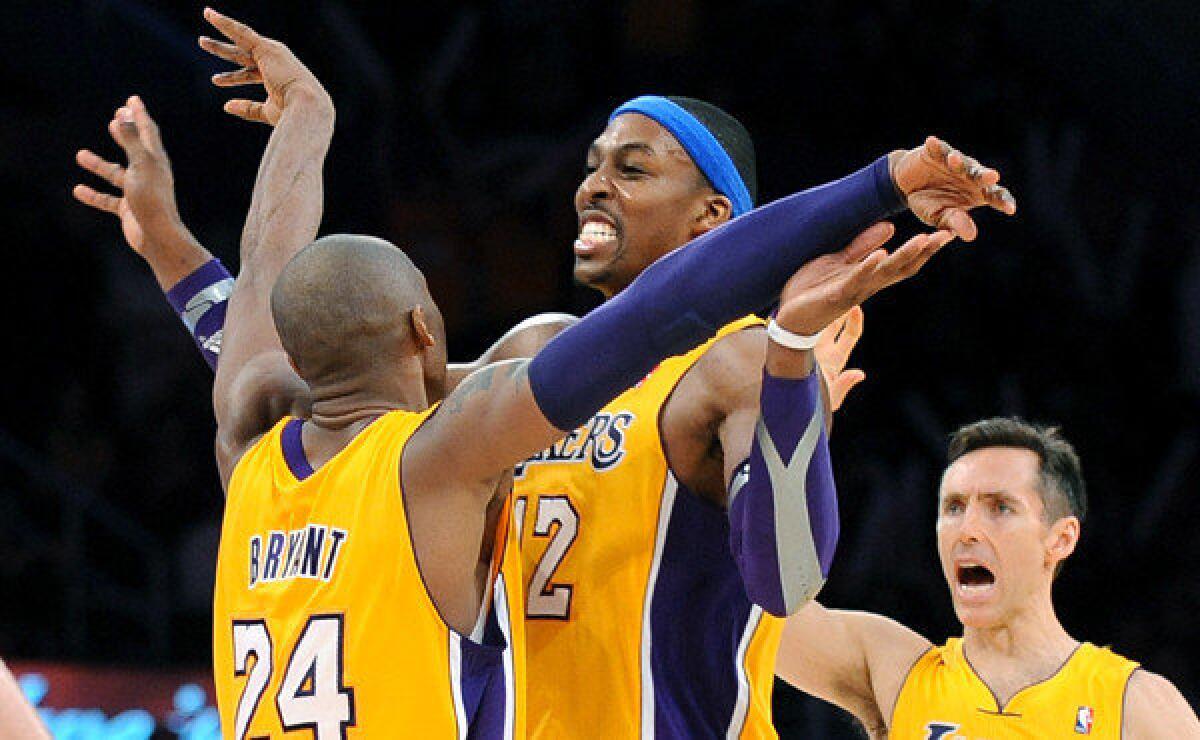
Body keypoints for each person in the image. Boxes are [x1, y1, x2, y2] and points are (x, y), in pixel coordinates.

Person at [78, 9, 1006, 736]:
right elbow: (336, 377)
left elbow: (788, 581)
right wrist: (180, 261)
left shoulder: (731, 368)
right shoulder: (529, 352)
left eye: (632, 170)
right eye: (593, 164)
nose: (592, 184)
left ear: (713, 218)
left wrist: (792, 384)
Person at [774, 417, 1200, 738]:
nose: (968, 529)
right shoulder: (895, 669)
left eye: (1000, 508)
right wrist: (785, 415)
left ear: (1061, 538)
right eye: (954, 507)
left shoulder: (1133, 703)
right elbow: (755, 609)